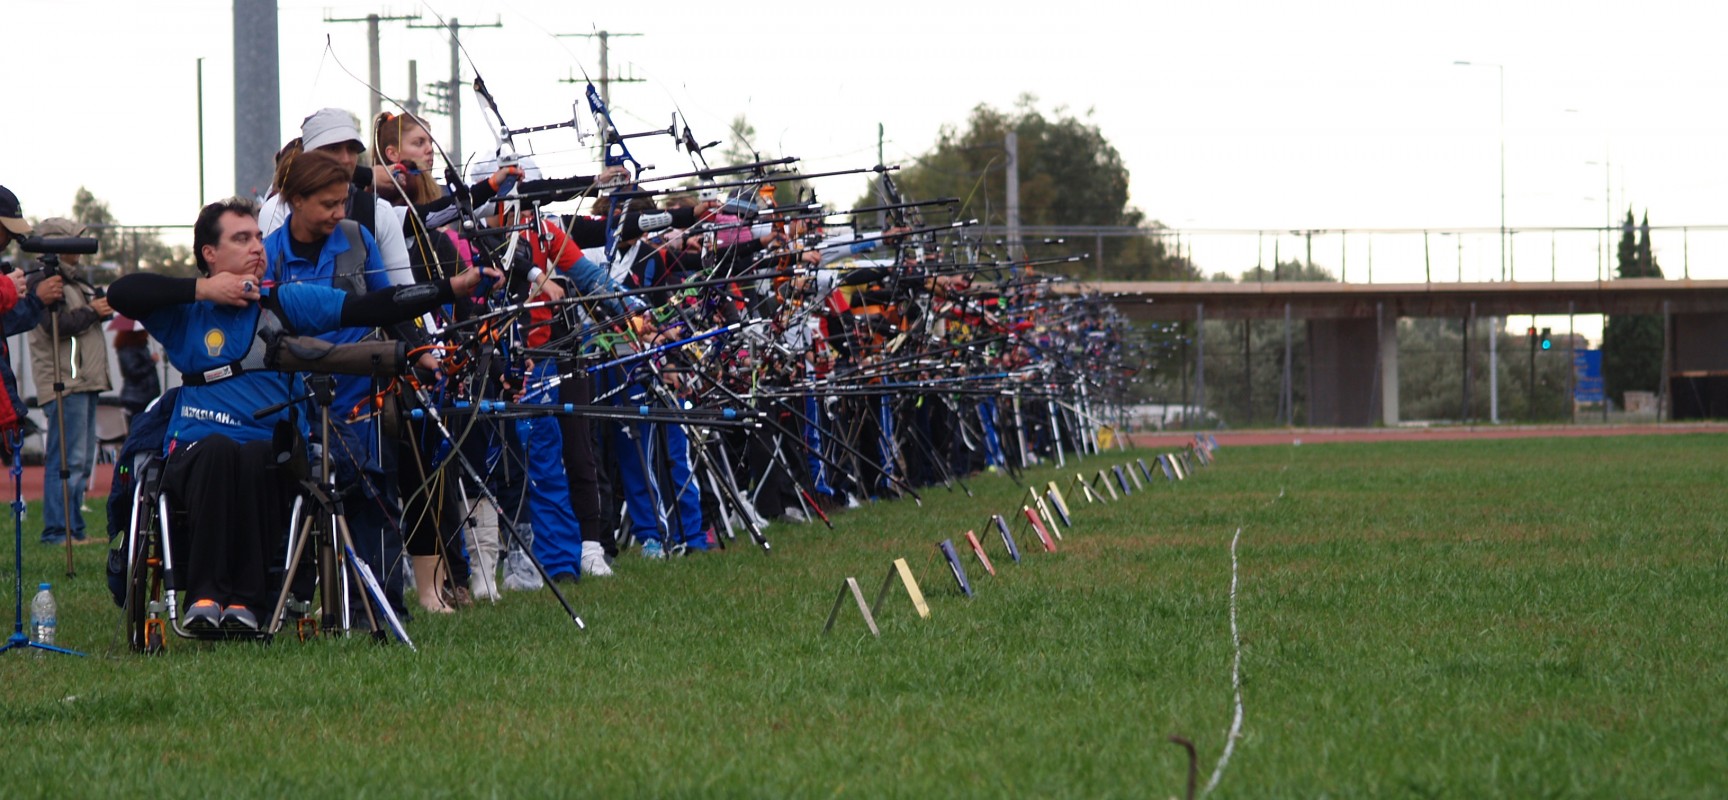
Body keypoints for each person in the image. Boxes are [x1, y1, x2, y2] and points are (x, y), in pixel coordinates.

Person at [106, 197, 489, 632]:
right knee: (216, 450)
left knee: (253, 455)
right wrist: (206, 290)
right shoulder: (185, 312)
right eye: (241, 238)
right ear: (209, 254)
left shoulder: (282, 301)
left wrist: (451, 289)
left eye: (257, 237)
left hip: (271, 451)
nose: (257, 247)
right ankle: (205, 596)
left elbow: (372, 306)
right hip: (196, 450)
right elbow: (121, 293)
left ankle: (246, 606)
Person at [27, 217, 111, 545]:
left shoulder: (72, 281)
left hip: (81, 380)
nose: (80, 248)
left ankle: (74, 529)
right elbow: (55, 326)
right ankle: (57, 532)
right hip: (65, 382)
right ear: (57, 245)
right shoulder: (46, 280)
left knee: (80, 459)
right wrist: (94, 311)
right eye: (74, 241)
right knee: (66, 460)